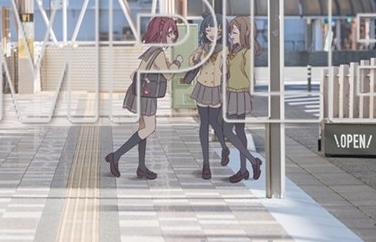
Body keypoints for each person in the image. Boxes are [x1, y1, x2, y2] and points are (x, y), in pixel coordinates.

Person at [105, 16, 183, 180]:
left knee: (143, 129)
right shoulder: (158, 53)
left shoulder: (152, 50)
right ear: (160, 33)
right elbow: (168, 75)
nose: (173, 37)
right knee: (149, 128)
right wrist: (177, 62)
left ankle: (141, 167)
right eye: (169, 33)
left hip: (140, 92)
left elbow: (135, 73)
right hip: (147, 95)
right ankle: (116, 156)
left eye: (173, 33)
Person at [189, 13, 230, 179]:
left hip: (215, 88)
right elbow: (192, 63)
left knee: (214, 120)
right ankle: (206, 164)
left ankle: (224, 147)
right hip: (202, 87)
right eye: (209, 30)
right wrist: (197, 56)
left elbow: (226, 71)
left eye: (217, 30)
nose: (212, 33)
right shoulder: (202, 48)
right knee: (203, 124)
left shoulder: (224, 50)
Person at [223, 15, 262, 183]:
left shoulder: (246, 52)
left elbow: (249, 76)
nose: (231, 36)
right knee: (239, 131)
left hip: (240, 94)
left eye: (234, 32)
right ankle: (244, 169)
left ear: (245, 33)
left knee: (227, 130)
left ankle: (252, 162)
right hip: (231, 93)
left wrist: (249, 93)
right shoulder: (233, 51)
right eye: (230, 32)